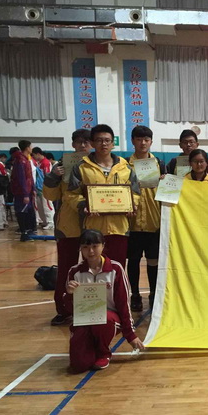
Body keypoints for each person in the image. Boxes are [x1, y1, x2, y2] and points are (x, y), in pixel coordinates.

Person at [65, 229, 145, 373]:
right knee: (78, 365)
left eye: (95, 246)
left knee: (104, 319)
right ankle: (91, 349)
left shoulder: (115, 269)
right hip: (84, 318)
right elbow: (69, 308)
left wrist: (130, 335)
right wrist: (70, 294)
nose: (90, 251)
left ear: (103, 245)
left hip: (110, 319)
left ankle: (103, 353)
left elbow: (123, 303)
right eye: (85, 247)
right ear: (80, 249)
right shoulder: (75, 272)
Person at [67, 124, 140, 265]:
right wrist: (84, 206)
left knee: (116, 269)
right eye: (99, 140)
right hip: (92, 228)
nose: (104, 144)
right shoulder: (81, 167)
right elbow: (71, 194)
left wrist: (132, 205)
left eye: (107, 140)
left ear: (113, 144)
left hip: (119, 228)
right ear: (92, 143)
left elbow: (136, 192)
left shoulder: (125, 167)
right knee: (92, 270)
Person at [43, 129, 92, 326]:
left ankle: (91, 309)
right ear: (73, 144)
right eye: (79, 142)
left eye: (86, 142)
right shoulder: (62, 165)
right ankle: (63, 309)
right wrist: (53, 177)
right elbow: (50, 196)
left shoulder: (98, 164)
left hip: (94, 225)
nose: (83, 145)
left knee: (92, 270)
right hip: (68, 226)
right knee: (66, 269)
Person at [126, 126, 166, 312]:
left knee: (153, 261)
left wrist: (165, 181)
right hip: (132, 223)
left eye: (146, 139)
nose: (143, 143)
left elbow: (168, 192)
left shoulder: (160, 164)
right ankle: (135, 295)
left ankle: (153, 294)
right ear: (132, 141)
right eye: (139, 139)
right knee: (133, 261)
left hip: (153, 222)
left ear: (151, 142)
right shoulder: (124, 165)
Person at [10, 142, 36, 241]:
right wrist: (25, 194)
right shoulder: (20, 160)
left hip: (28, 190)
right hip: (22, 192)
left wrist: (33, 189)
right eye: (30, 146)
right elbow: (21, 178)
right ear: (27, 148)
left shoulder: (26, 159)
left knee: (29, 211)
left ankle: (29, 230)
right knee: (22, 211)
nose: (32, 148)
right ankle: (23, 233)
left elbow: (30, 177)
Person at [32, 146, 55, 230]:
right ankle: (45, 221)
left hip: (45, 187)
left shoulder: (46, 162)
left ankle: (51, 222)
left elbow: (48, 175)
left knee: (47, 205)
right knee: (40, 206)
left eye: (34, 155)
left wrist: (47, 187)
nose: (33, 157)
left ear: (38, 154)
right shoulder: (39, 163)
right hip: (39, 188)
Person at [0, 153, 8, 231]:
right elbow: (4, 176)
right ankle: (2, 223)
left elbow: (3, 176)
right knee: (0, 206)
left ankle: (1, 223)